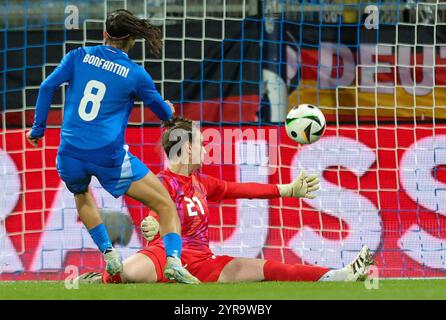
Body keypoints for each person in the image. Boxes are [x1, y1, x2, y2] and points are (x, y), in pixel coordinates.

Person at [77, 117, 374, 284]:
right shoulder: (160, 182)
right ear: (184, 148)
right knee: (121, 277)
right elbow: (155, 213)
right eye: (200, 142)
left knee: (268, 269)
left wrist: (286, 190)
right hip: (162, 258)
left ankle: (341, 275)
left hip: (204, 262)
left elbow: (240, 189)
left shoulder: (202, 183)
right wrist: (152, 223)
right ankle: (89, 281)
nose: (206, 146)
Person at [26, 10, 198, 284]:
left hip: (69, 153)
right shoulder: (134, 74)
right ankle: (174, 261)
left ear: (105, 34)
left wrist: (38, 130)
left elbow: (47, 87)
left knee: (81, 195)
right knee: (165, 203)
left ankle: (109, 254)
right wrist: (168, 110)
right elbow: (161, 113)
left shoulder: (77, 56)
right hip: (108, 156)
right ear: (132, 40)